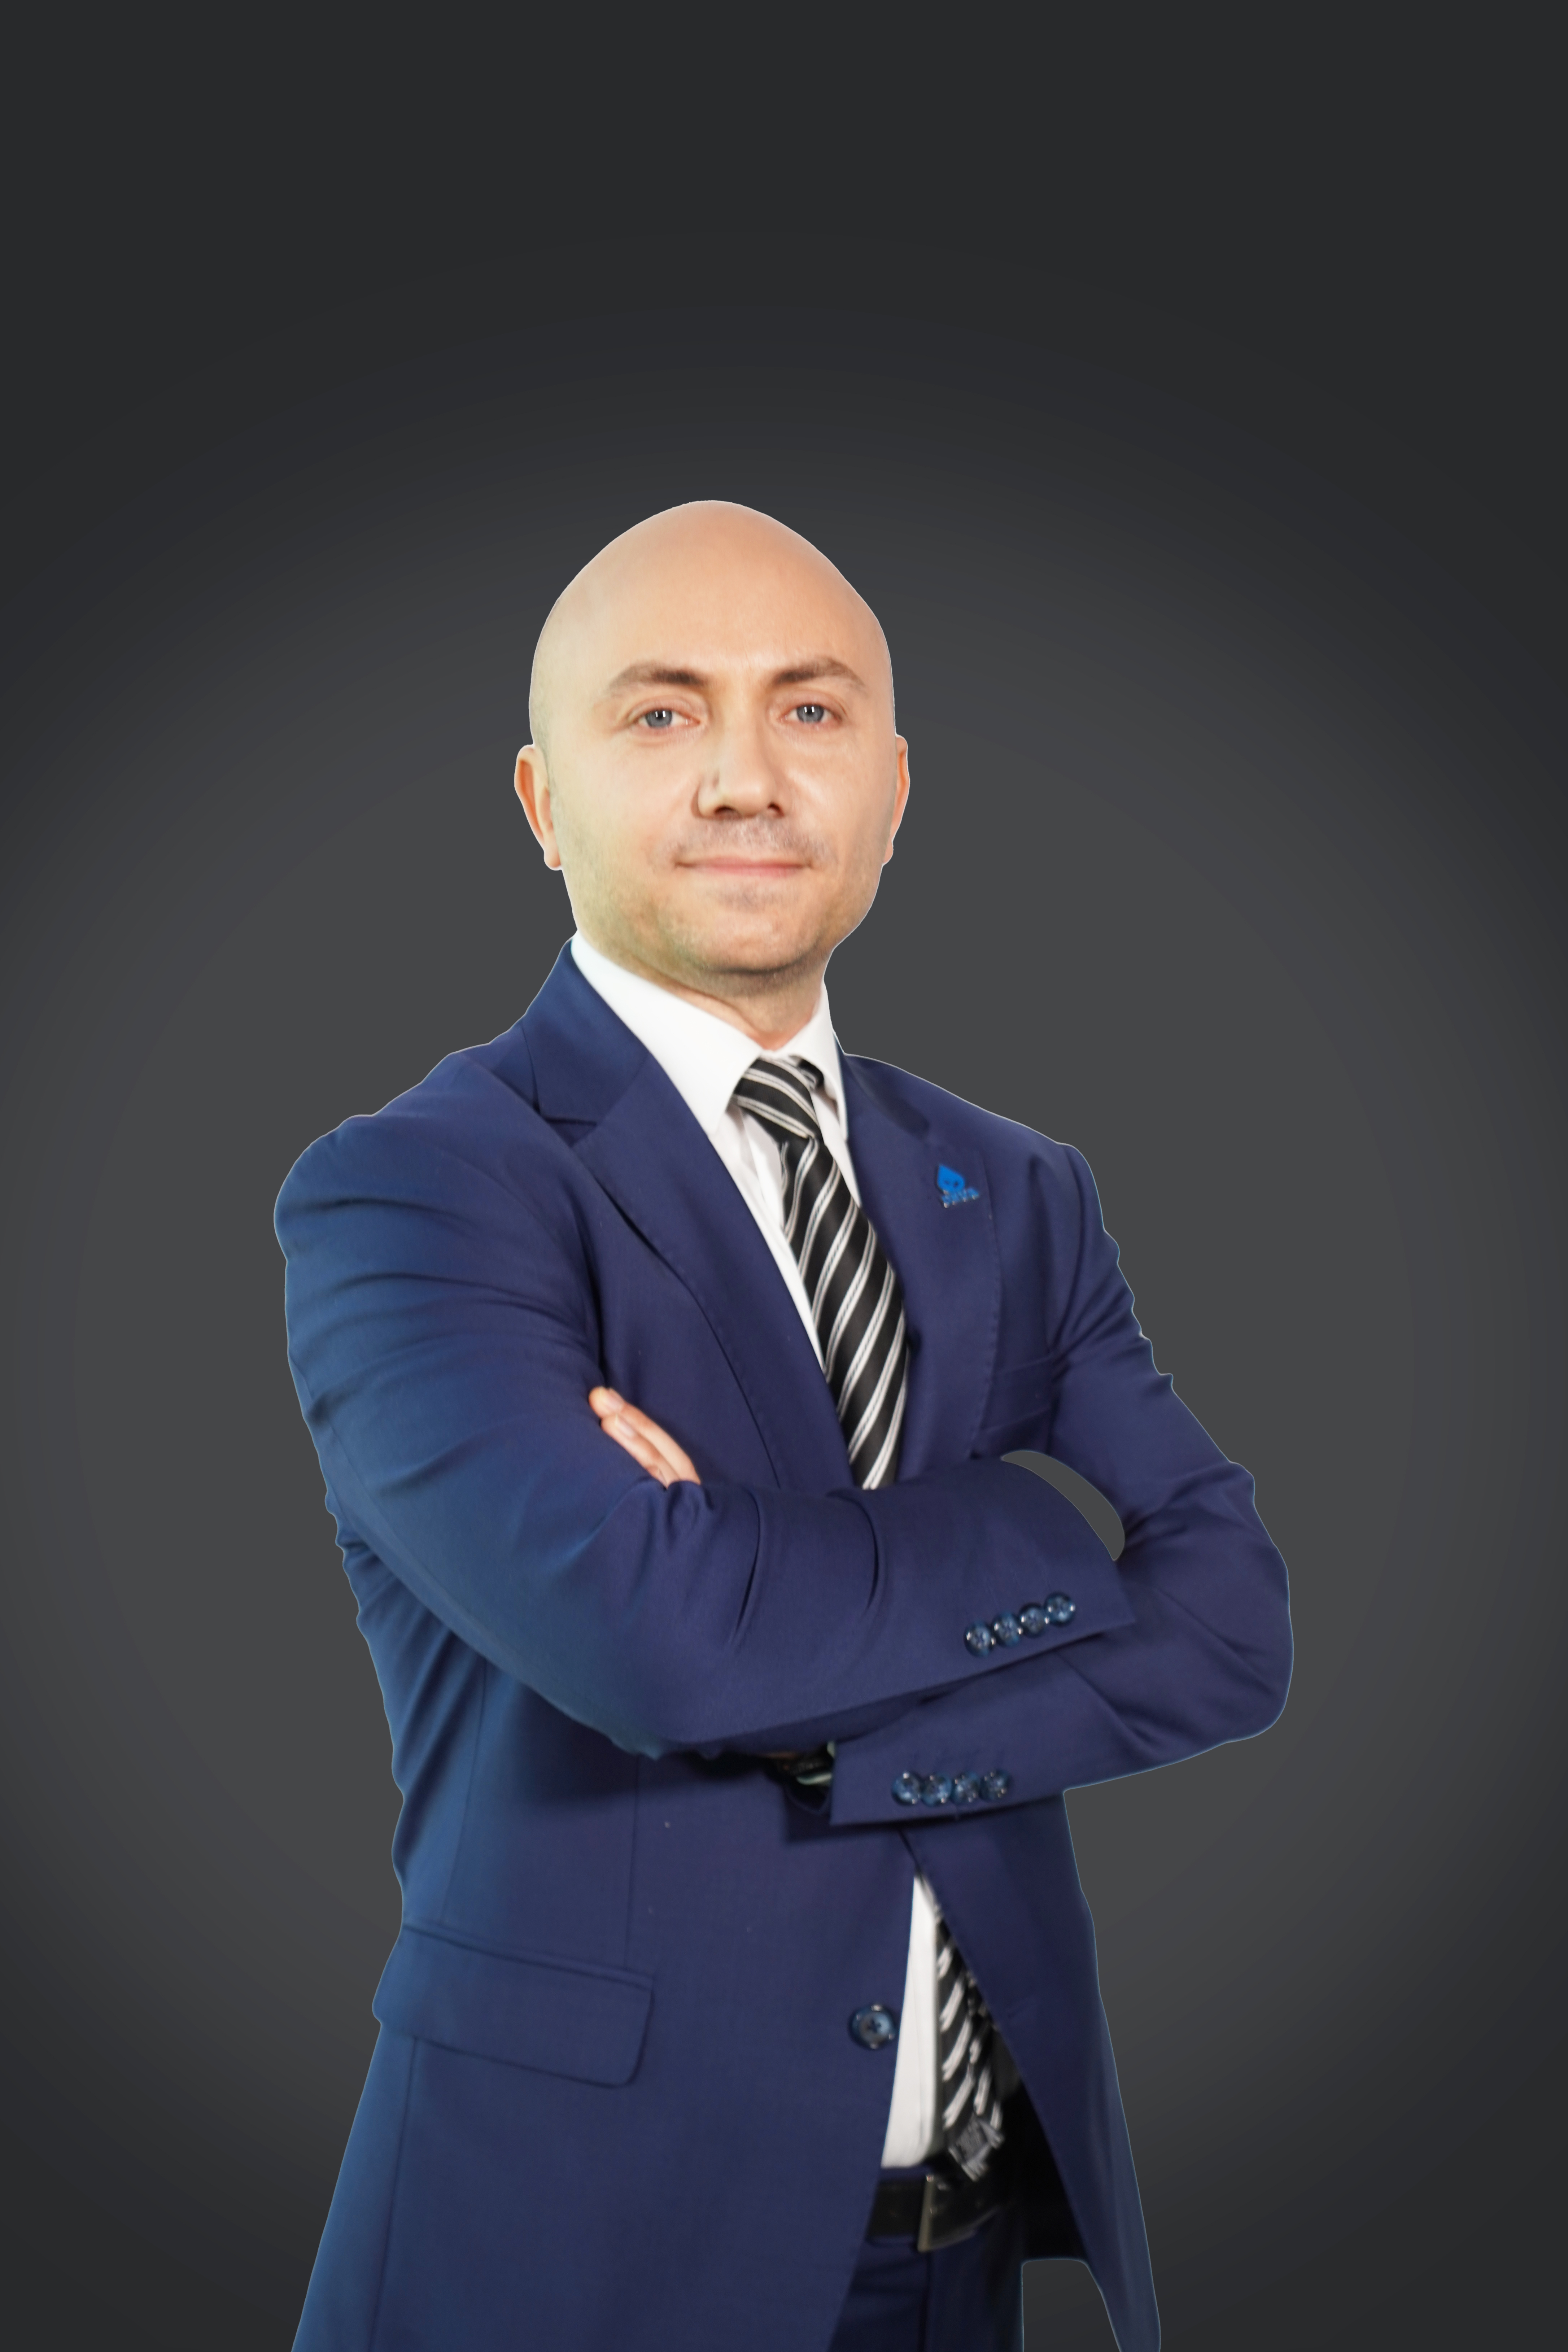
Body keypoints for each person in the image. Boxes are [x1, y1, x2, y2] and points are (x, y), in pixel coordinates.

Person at [275, 501, 1292, 2352]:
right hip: (578, 2247)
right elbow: (653, 1643)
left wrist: (801, 1690)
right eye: (662, 712)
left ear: (892, 793)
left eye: (810, 711)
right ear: (541, 800)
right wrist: (1039, 1525)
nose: (746, 775)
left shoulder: (1019, 1184)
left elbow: (1232, 1624)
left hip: (966, 2248)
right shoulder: (419, 1190)